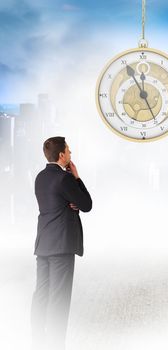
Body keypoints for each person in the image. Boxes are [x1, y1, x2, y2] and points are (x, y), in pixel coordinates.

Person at [31, 137, 92, 350]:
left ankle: (36, 341)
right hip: (62, 245)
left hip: (44, 243)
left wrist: (69, 203)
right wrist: (76, 177)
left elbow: (55, 202)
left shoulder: (40, 177)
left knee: (41, 294)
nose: (71, 153)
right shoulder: (64, 178)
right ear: (61, 156)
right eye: (69, 151)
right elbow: (86, 204)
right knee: (59, 297)